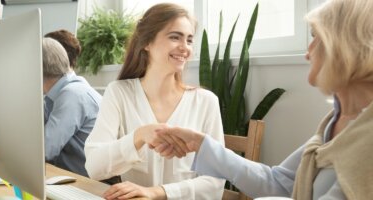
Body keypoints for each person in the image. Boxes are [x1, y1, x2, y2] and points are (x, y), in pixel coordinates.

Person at [153, 0, 373, 199]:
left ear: (346, 46)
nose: (308, 52)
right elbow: (278, 182)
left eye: (315, 36)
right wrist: (201, 144)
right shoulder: (334, 122)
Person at [84, 3, 225, 200]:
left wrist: (157, 192)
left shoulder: (206, 102)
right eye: (175, 37)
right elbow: (94, 167)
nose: (185, 47)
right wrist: (140, 135)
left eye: (190, 40)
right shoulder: (118, 93)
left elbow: (215, 181)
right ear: (146, 42)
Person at [42, 37, 102, 177]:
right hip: (73, 179)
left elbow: (44, 150)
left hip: (94, 186)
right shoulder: (54, 96)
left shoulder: (72, 94)